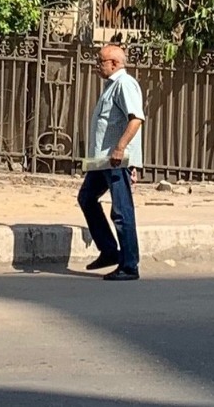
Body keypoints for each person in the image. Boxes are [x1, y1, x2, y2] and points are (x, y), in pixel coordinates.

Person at [78, 42, 144, 281]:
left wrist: (121, 148)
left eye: (100, 61)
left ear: (114, 63)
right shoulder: (110, 86)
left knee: (121, 210)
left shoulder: (124, 84)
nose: (97, 65)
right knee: (86, 198)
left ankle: (129, 265)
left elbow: (136, 119)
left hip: (116, 159)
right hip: (103, 160)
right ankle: (108, 251)